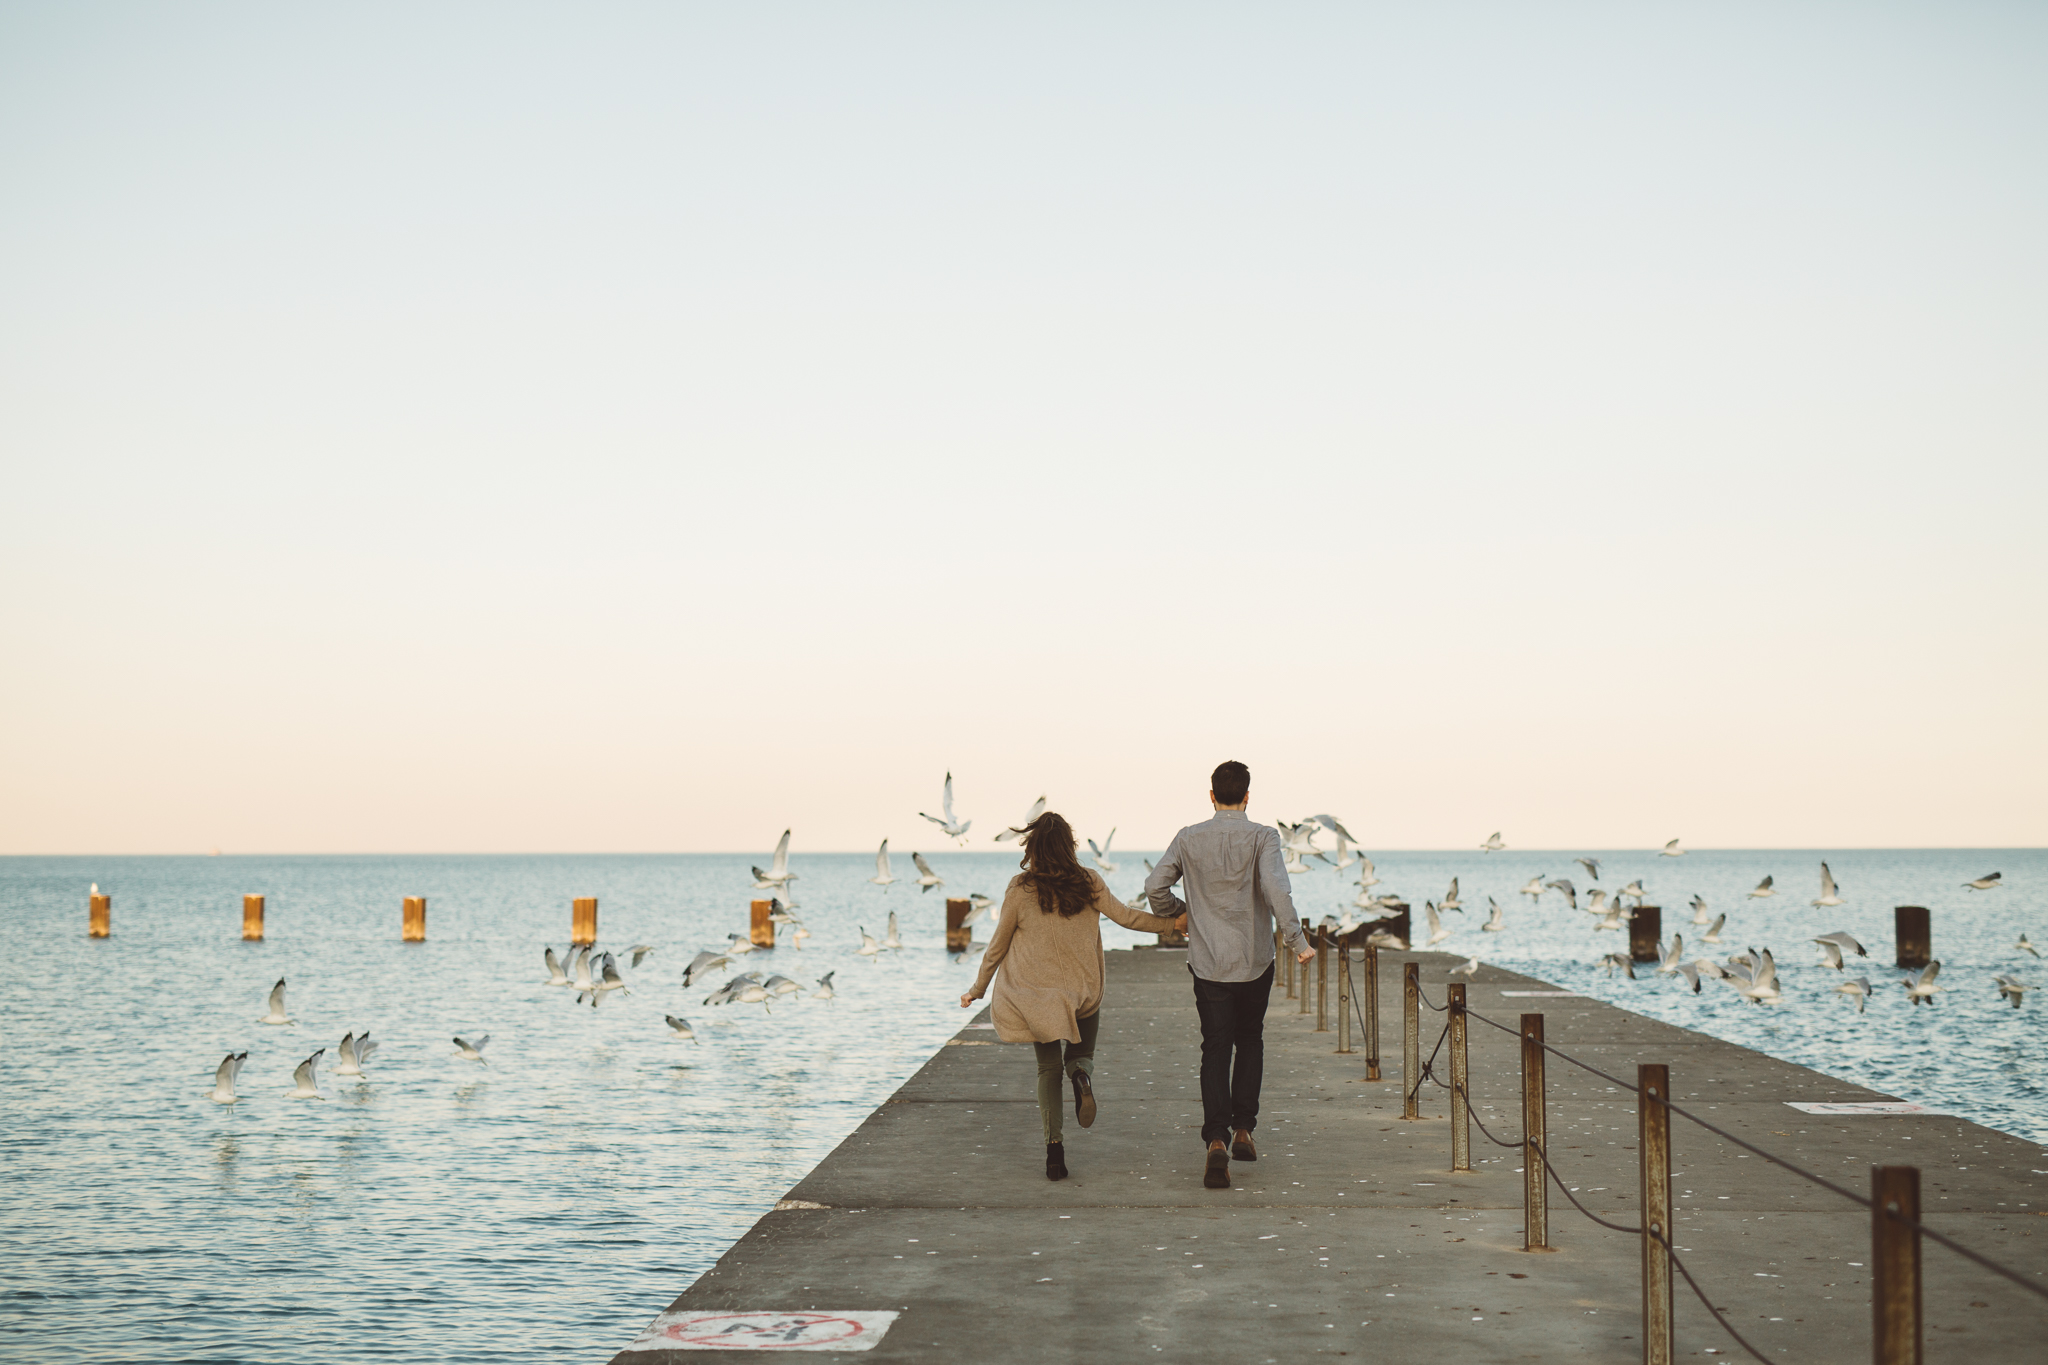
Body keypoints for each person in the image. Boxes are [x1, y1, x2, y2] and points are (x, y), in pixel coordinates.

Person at [961, 811, 1186, 1181]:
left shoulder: (1020, 890)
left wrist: (977, 989)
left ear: (1032, 847)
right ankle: (1081, 1075)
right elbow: (1128, 917)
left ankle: (1054, 1153)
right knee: (1080, 1055)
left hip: (1037, 1000)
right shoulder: (1090, 882)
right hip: (1082, 991)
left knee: (1047, 1070)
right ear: (1070, 846)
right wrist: (1172, 925)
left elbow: (997, 946)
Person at [1143, 759, 1315, 1190]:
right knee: (1250, 1040)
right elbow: (1278, 891)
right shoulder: (1263, 837)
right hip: (1254, 959)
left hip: (1208, 963)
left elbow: (1153, 887)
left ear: (1212, 794)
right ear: (1248, 795)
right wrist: (1298, 943)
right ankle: (1243, 1130)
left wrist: (1177, 914)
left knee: (1215, 1047)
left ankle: (1216, 1141)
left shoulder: (1188, 838)